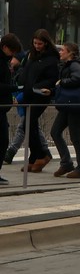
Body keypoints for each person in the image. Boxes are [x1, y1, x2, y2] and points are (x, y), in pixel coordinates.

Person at [18, 29, 59, 173]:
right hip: (29, 93)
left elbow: (52, 78)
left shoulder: (52, 59)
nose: (37, 46)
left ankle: (41, 154)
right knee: (30, 125)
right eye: (35, 43)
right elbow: (26, 72)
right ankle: (36, 155)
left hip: (40, 94)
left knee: (28, 124)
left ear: (46, 43)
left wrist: (40, 86)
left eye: (40, 43)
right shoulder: (32, 55)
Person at [3, 37, 48, 165]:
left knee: (24, 125)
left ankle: (11, 152)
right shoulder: (19, 67)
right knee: (31, 125)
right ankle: (45, 151)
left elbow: (27, 86)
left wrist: (17, 96)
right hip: (20, 97)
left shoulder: (26, 65)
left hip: (25, 98)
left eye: (14, 58)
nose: (12, 60)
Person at [49, 42, 80, 178]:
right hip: (68, 104)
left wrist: (62, 82)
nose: (60, 52)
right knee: (55, 132)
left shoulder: (75, 65)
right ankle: (66, 163)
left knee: (75, 136)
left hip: (75, 105)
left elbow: (77, 79)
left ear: (70, 53)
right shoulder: (68, 65)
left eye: (62, 50)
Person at [0, 33, 22, 184]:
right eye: (12, 51)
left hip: (3, 107)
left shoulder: (5, 61)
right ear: (5, 47)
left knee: (3, 141)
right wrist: (13, 88)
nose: (13, 55)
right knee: (2, 140)